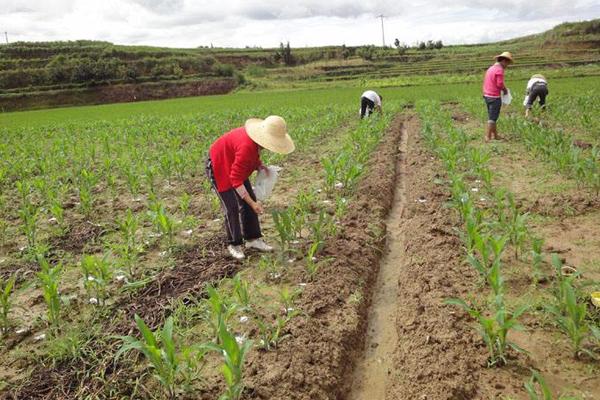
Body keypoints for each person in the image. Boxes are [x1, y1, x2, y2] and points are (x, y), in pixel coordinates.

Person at [206, 115, 295, 260]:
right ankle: (234, 244)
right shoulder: (246, 146)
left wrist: (259, 165)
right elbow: (235, 179)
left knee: (249, 199)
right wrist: (253, 204)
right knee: (232, 206)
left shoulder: (254, 143)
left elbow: (251, 156)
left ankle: (253, 239)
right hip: (219, 164)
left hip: (234, 163)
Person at [482, 51, 513, 141]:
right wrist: (505, 90)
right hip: (494, 97)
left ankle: (495, 136)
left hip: (487, 95)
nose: (507, 65)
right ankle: (487, 137)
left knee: (492, 116)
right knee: (492, 118)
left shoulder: (491, 68)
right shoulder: (499, 69)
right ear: (503, 61)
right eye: (507, 63)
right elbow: (499, 84)